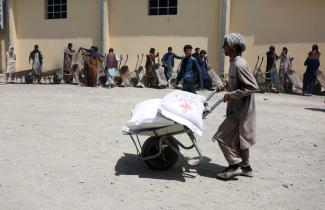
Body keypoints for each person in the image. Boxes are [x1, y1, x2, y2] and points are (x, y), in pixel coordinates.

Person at [213, 33, 259, 180]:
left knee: (221, 136)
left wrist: (231, 95)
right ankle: (246, 167)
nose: (223, 48)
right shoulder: (233, 63)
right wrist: (224, 86)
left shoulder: (240, 64)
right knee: (241, 139)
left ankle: (234, 166)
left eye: (225, 45)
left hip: (241, 110)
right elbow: (235, 82)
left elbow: (252, 86)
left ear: (233, 47)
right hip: (237, 109)